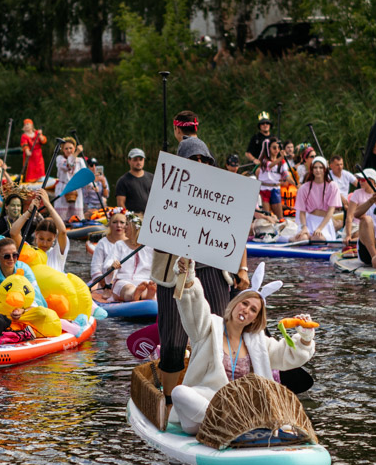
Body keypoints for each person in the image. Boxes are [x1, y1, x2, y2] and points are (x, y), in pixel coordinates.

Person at [168, 258, 315, 435]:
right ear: (235, 304)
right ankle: (233, 426)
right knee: (179, 393)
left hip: (243, 410)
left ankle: (243, 428)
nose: (247, 310)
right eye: (245, 304)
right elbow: (194, 308)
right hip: (204, 411)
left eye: (254, 310)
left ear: (256, 318)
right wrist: (189, 277)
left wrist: (305, 336)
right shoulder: (208, 327)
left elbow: (289, 356)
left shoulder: (259, 342)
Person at [150, 135, 250, 396]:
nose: (198, 163)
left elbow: (237, 234)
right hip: (175, 273)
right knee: (172, 340)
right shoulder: (166, 190)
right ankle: (169, 400)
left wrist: (243, 269)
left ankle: (216, 397)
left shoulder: (222, 192)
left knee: (216, 333)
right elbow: (157, 237)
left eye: (203, 159)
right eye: (192, 159)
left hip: (215, 272)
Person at [11, 188, 70, 270]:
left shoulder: (57, 253)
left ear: (54, 238)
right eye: (41, 239)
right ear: (36, 235)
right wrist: (29, 211)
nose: (44, 244)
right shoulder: (29, 250)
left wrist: (48, 205)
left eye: (49, 240)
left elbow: (63, 231)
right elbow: (13, 233)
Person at [107, 215, 156, 301]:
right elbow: (109, 262)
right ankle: (134, 295)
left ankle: (148, 295)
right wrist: (112, 266)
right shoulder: (119, 245)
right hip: (124, 280)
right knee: (128, 288)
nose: (123, 227)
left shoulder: (149, 247)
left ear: (135, 228)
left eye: (127, 224)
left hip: (145, 280)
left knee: (147, 286)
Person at [293, 156, 340, 242]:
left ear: (325, 169)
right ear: (312, 169)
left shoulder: (333, 186)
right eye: (315, 167)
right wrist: (304, 227)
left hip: (324, 222)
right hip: (309, 221)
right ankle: (288, 238)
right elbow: (302, 212)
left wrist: (319, 229)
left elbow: (330, 212)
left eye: (321, 167)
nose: (318, 170)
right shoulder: (304, 188)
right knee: (303, 239)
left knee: (317, 238)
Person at [89, 209, 130, 291]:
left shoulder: (131, 243)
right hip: (105, 283)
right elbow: (95, 267)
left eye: (122, 222)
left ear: (126, 225)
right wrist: (103, 281)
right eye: (115, 222)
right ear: (110, 224)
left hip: (127, 281)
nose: (118, 225)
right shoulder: (102, 243)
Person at [345, 168, 376, 248]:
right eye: (359, 179)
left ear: (372, 181)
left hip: (375, 225)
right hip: (357, 225)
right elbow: (350, 216)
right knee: (364, 233)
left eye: (363, 179)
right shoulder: (357, 193)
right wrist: (348, 235)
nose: (360, 181)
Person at [53, 137, 87, 221]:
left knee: (77, 215)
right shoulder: (60, 159)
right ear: (63, 150)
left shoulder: (80, 161)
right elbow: (68, 166)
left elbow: (84, 174)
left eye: (71, 148)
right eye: (66, 148)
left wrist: (91, 185)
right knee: (62, 216)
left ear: (74, 148)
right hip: (63, 188)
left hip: (76, 189)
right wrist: (76, 153)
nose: (69, 150)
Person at [256, 139, 288, 220]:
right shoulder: (264, 161)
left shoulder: (282, 162)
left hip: (275, 189)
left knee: (280, 217)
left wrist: (295, 183)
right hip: (264, 190)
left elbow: (285, 174)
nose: (277, 150)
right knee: (266, 217)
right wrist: (281, 158)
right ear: (269, 148)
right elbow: (270, 165)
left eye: (278, 148)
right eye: (274, 148)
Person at [115, 148, 153, 213]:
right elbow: (120, 204)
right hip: (133, 217)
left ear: (144, 160)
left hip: (150, 216)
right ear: (129, 161)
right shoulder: (123, 181)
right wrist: (129, 218)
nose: (138, 162)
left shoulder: (152, 177)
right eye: (135, 160)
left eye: (141, 159)